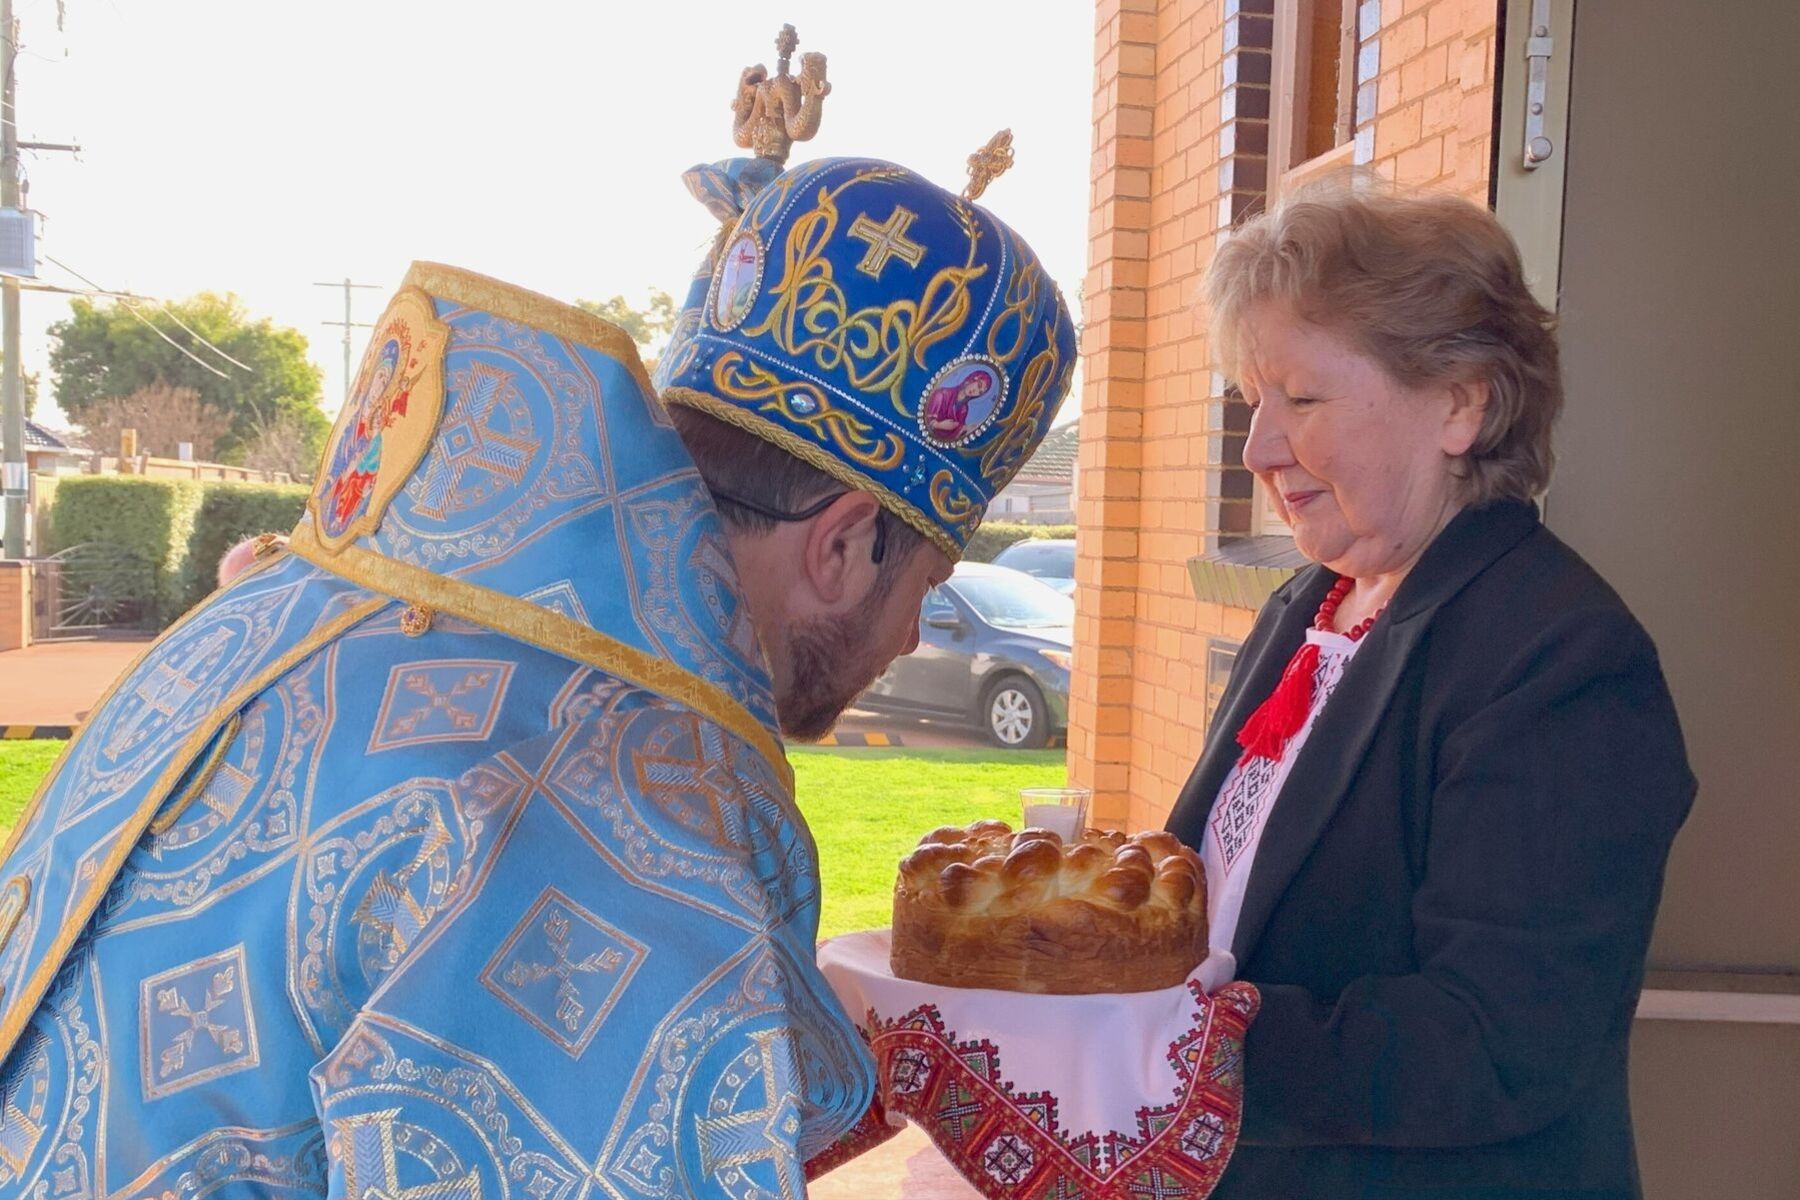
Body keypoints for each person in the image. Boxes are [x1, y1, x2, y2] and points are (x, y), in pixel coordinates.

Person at [0, 156, 1074, 1198]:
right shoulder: (627, 798)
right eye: (927, 585)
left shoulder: (297, 603)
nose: (911, 642)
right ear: (841, 548)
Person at [1164, 179, 1695, 1199]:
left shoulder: (1562, 659)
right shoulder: (1311, 605)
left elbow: (1498, 1042)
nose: (1259, 448)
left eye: (1302, 398)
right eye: (1252, 401)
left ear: (1462, 404)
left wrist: (1167, 1049)